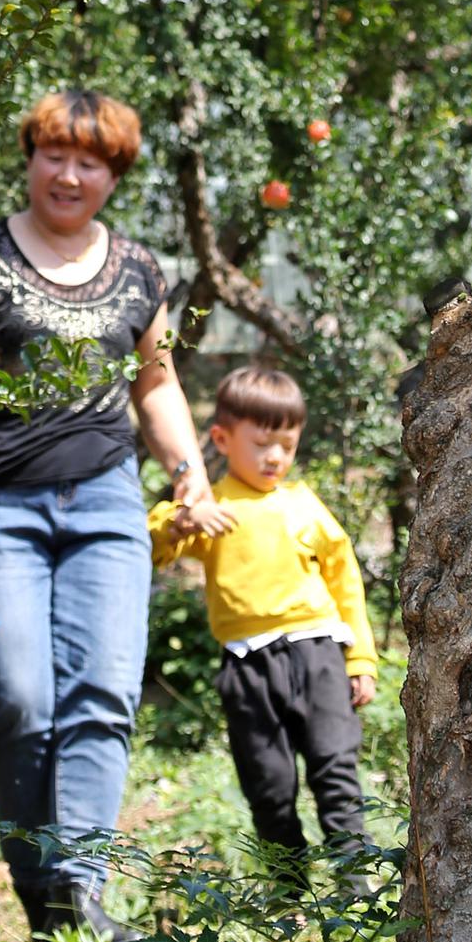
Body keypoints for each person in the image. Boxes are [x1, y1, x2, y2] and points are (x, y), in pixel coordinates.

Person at [0, 87, 223, 942]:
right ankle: (37, 888)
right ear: (31, 156)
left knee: (105, 691)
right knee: (20, 697)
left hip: (108, 500)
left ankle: (81, 893)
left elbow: (156, 384)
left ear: (114, 175)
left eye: (91, 162)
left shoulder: (141, 271)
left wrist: (190, 477)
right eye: (56, 154)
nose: (70, 174)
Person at [151, 359, 376, 860]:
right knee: (268, 785)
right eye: (261, 444)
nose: (275, 457)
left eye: (288, 446)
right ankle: (290, 894)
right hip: (248, 665)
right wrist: (183, 519)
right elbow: (155, 544)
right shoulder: (213, 506)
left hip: (318, 653)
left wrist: (360, 659)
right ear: (222, 439)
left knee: (335, 770)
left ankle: (355, 884)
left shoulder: (303, 502)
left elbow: (345, 580)